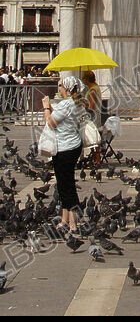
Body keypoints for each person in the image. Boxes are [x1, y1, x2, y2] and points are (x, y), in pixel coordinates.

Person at [41, 75, 88, 232]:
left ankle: (73, 222)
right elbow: (66, 119)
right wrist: (54, 110)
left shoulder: (65, 104)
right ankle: (64, 219)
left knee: (66, 186)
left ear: (67, 89)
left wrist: (46, 107)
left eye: (61, 86)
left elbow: (51, 123)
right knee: (63, 184)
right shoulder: (78, 104)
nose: (59, 88)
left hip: (64, 149)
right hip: (74, 146)